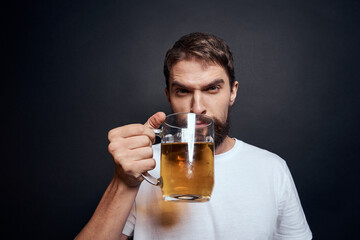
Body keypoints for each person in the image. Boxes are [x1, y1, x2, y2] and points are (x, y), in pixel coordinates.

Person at [76, 32, 312, 240]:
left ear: (233, 92)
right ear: (169, 96)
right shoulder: (142, 167)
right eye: (183, 91)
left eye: (212, 88)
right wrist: (123, 183)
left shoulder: (272, 169)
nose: (197, 107)